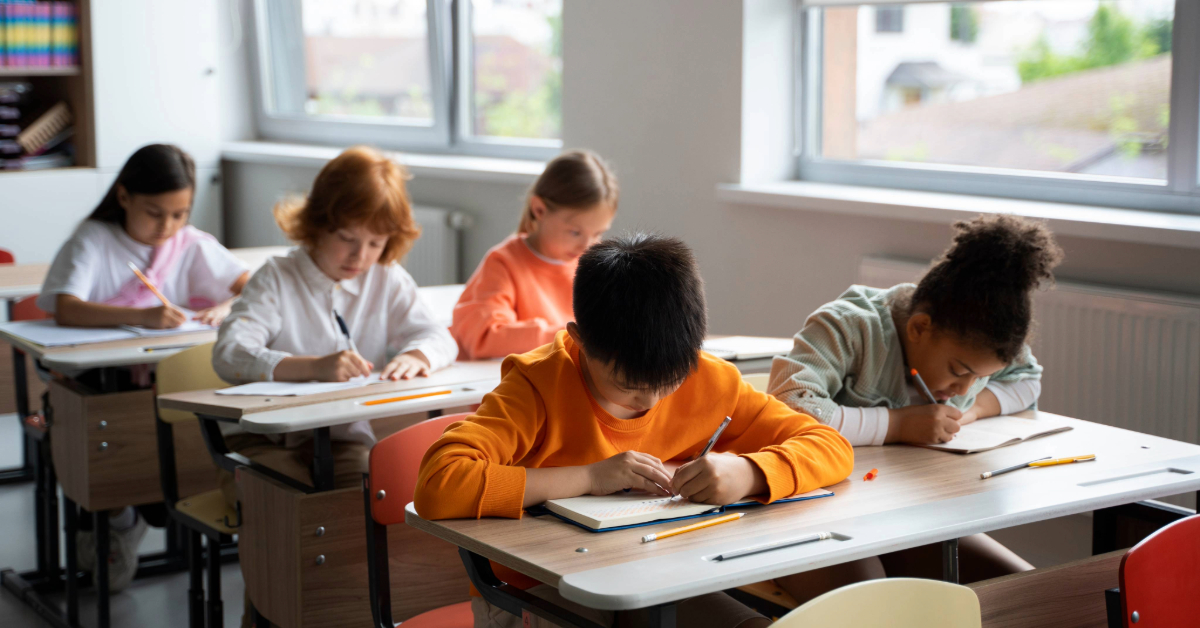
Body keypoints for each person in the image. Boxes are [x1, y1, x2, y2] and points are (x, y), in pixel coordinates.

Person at [417, 233, 854, 628]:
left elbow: (830, 446)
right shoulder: (537, 386)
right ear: (580, 340)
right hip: (534, 589)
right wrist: (590, 477)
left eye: (670, 383)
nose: (651, 401)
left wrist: (749, 473)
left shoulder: (711, 379)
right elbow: (439, 483)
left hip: (660, 574)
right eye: (628, 386)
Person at [212, 146, 458, 626]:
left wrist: (417, 355)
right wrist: (311, 366)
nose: (360, 256)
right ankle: (268, 614)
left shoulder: (385, 278)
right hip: (262, 443)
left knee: (365, 509)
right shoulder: (277, 278)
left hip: (342, 438)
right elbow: (229, 352)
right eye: (347, 238)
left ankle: (349, 613)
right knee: (288, 517)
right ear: (317, 224)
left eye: (375, 243)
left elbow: (438, 336)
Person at [769, 213, 1063, 600]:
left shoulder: (982, 341)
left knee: (1031, 593)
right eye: (958, 371)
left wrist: (971, 411)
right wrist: (895, 425)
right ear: (920, 328)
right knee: (874, 600)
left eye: (979, 378)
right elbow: (790, 404)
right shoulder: (850, 326)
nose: (964, 387)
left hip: (911, 512)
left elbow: (1027, 379)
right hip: (817, 515)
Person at [37, 143, 249, 592]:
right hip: (105, 381)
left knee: (183, 428)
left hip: (165, 377)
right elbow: (66, 307)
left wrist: (226, 306)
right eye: (155, 213)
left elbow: (251, 286)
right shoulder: (94, 238)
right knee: (111, 439)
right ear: (123, 196)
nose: (166, 226)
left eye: (179, 214)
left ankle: (142, 508)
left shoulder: (189, 243)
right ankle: (116, 516)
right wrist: (141, 315)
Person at [451, 149, 618, 359]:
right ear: (539, 210)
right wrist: (574, 336)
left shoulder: (597, 263)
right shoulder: (503, 263)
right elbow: (483, 338)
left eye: (597, 233)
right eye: (575, 232)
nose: (587, 246)